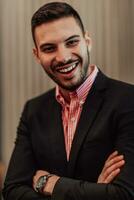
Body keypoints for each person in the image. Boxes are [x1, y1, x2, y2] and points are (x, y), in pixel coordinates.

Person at [2, 1, 134, 200]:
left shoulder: (128, 100)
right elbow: (12, 190)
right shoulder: (33, 111)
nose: (63, 57)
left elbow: (123, 194)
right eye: (48, 48)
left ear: (87, 41)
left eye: (71, 42)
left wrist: (47, 183)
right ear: (37, 55)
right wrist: (94, 192)